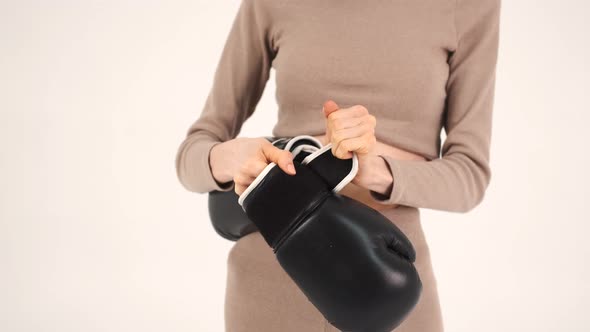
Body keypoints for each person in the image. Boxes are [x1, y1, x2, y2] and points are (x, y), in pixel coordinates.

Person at [175, 0, 501, 330]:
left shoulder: (469, 6)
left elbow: (469, 177)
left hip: (383, 292)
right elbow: (192, 155)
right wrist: (234, 156)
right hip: (265, 286)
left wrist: (375, 170)